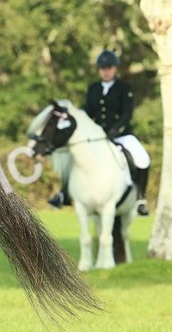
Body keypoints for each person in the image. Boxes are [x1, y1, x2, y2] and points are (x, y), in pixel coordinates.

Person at [49, 49, 151, 215]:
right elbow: (88, 113)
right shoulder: (93, 89)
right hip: (97, 137)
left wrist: (116, 129)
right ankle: (64, 194)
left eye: (109, 67)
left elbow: (127, 114)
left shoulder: (124, 88)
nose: (106, 71)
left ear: (115, 69)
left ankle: (140, 199)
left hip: (121, 135)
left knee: (143, 159)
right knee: (74, 156)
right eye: (103, 68)